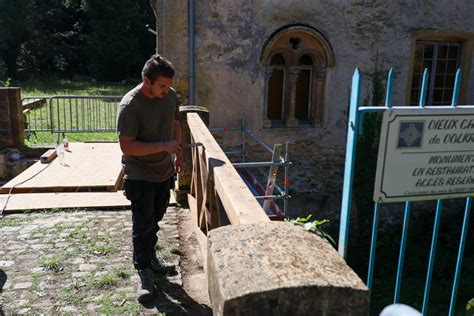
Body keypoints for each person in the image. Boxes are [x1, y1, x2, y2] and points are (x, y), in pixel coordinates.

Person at [116, 54, 183, 302]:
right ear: (147, 81)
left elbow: (176, 122)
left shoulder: (170, 95)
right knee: (142, 224)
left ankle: (151, 259)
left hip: (163, 171)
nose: (167, 90)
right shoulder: (131, 105)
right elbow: (127, 147)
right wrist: (164, 145)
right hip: (139, 174)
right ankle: (144, 271)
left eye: (169, 85)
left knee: (155, 220)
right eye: (162, 86)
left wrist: (178, 151)